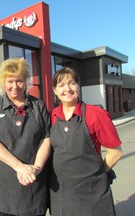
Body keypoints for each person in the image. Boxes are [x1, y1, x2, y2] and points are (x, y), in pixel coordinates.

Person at [49, 67, 123, 216]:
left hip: (91, 192)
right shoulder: (53, 116)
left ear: (78, 86)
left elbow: (115, 153)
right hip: (61, 194)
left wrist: (97, 173)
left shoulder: (96, 115)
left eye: (72, 83)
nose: (67, 89)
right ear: (55, 90)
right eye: (61, 85)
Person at [0, 58, 51, 216]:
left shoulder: (38, 106)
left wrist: (36, 169)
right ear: (3, 82)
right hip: (3, 191)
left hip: (33, 185)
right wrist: (20, 167)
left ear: (26, 81)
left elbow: (46, 138)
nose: (14, 86)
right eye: (10, 81)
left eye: (19, 81)